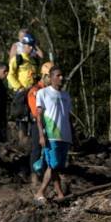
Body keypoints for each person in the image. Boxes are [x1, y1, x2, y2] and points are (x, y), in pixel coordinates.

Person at [33, 66, 73, 203]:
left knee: (58, 166)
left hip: (65, 135)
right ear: (50, 78)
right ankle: (40, 192)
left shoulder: (66, 95)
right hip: (51, 135)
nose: (61, 78)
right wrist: (41, 135)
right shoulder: (43, 93)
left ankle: (60, 194)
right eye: (58, 75)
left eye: (62, 75)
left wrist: (74, 136)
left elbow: (68, 117)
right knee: (53, 165)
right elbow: (39, 116)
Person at [25, 60, 53, 186]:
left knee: (49, 150)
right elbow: (36, 112)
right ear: (45, 76)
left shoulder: (52, 91)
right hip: (38, 124)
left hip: (51, 124)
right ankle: (34, 176)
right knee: (36, 149)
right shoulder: (35, 91)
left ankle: (46, 175)